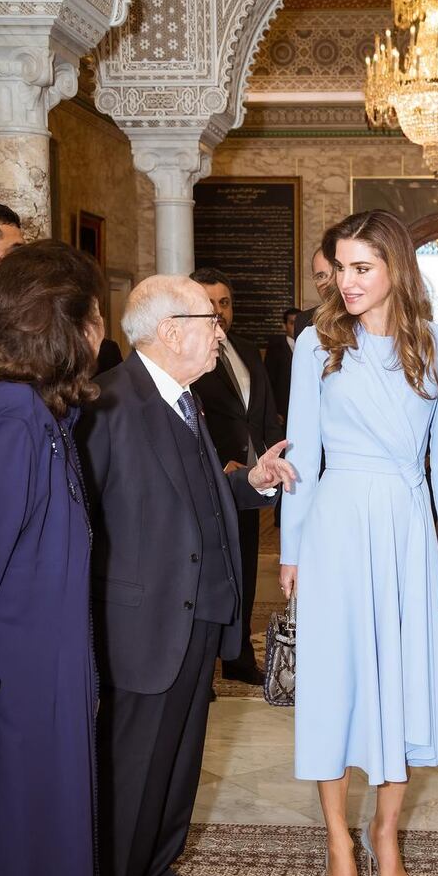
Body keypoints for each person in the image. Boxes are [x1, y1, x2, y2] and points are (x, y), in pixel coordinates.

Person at [77, 274, 295, 876]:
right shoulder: (109, 405)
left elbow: (199, 494)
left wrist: (250, 481)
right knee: (129, 776)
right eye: (209, 320)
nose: (220, 331)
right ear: (171, 330)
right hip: (143, 630)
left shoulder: (184, 397)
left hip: (195, 619)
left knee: (175, 770)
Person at [280, 210, 438, 876]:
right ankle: (336, 844)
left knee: (402, 679)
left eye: (364, 268)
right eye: (342, 267)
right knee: (336, 684)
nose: (348, 282)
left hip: (409, 528)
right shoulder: (316, 344)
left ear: (395, 269)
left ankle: (385, 833)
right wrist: (292, 551)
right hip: (334, 527)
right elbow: (301, 454)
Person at [0, 240, 105, 876]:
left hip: (52, 689)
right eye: (97, 312)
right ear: (67, 326)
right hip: (21, 701)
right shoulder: (11, 423)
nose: (105, 328)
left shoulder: (43, 417)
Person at [190, 267, 284, 685]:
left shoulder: (247, 350)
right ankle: (201, 670)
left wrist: (270, 461)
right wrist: (218, 462)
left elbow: (262, 415)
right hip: (208, 483)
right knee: (206, 576)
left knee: (244, 570)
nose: (218, 311)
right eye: (208, 303)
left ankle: (239, 658)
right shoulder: (187, 354)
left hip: (251, 486)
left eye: (224, 303)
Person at [265, 305, 301, 423]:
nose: (296, 327)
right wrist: (273, 411)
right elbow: (268, 380)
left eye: (299, 323)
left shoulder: (311, 346)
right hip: (283, 411)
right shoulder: (275, 349)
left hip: (304, 407)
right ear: (284, 325)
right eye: (292, 323)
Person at [294, 246, 334, 339]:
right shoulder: (304, 321)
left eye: (334, 273)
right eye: (321, 276)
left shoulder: (367, 316)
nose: (328, 283)